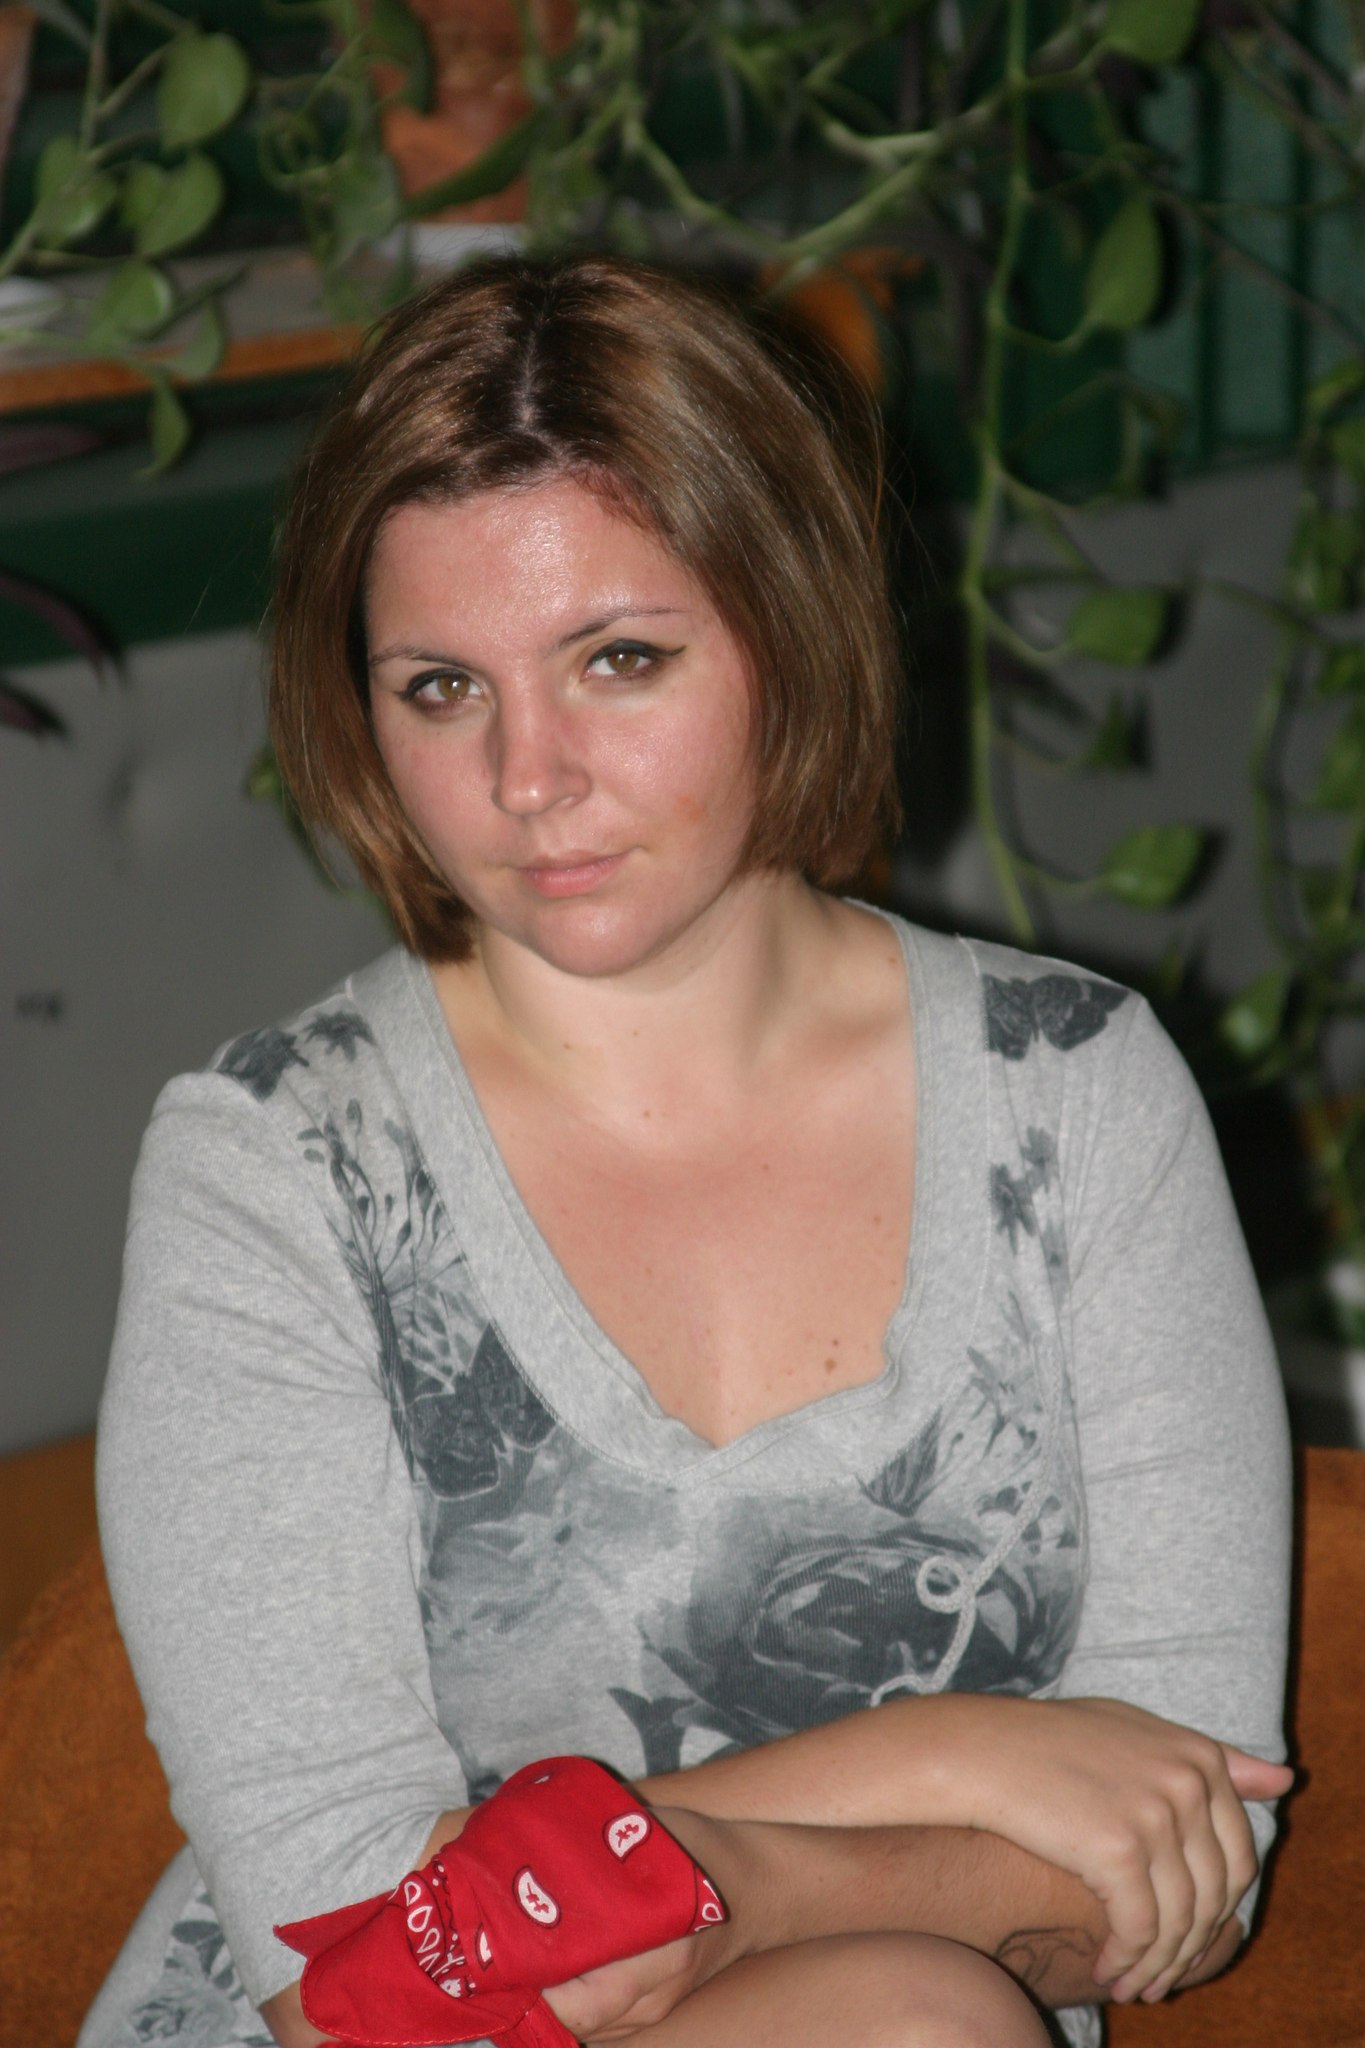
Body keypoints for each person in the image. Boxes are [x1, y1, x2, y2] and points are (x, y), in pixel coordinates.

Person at [82, 254, 1293, 2048]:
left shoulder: (1076, 1092)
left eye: (619, 659)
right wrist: (949, 1757)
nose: (528, 776)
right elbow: (348, 1965)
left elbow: (1186, 1861)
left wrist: (732, 1879)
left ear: (788, 628)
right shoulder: (278, 1171)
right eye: (440, 687)